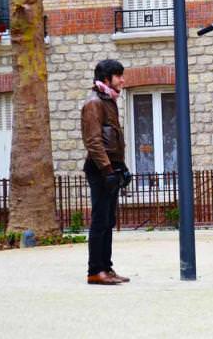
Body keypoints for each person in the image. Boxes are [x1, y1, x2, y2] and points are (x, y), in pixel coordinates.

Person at [81, 59, 130, 285]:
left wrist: (122, 167)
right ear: (106, 79)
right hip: (99, 168)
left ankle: (107, 268)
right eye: (118, 76)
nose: (122, 80)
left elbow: (113, 140)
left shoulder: (109, 100)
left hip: (110, 167)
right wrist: (108, 170)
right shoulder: (94, 103)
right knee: (100, 221)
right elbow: (93, 142)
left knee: (109, 220)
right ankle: (95, 271)